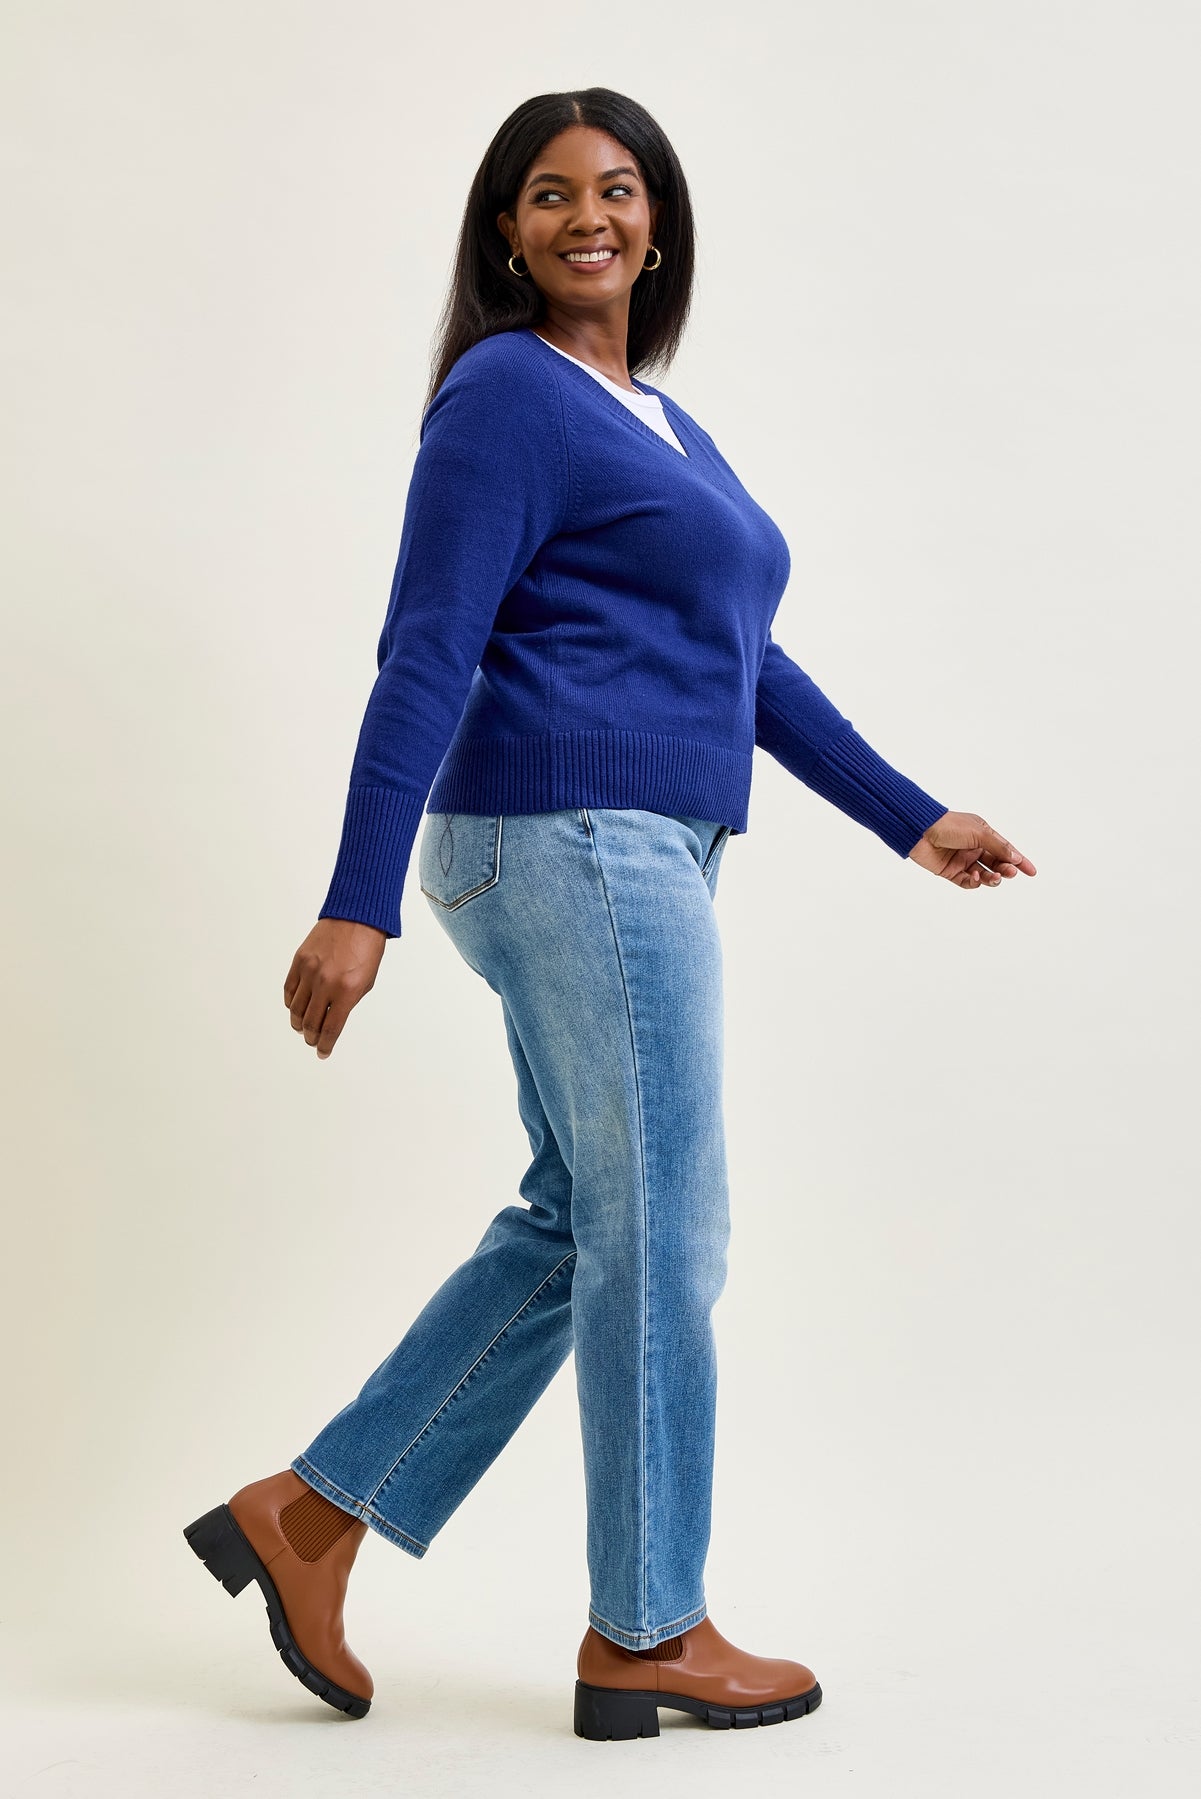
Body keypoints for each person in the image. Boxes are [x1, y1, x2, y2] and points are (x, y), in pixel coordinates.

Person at [183, 87, 1036, 1742]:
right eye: (552, 192)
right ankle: (646, 1629)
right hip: (570, 836)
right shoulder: (505, 392)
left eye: (620, 187)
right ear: (507, 234)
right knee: (666, 1233)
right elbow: (428, 643)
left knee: (583, 1221)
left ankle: (313, 1514)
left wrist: (907, 817)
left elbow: (743, 661)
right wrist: (357, 897)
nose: (590, 213)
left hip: (624, 844)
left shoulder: (656, 423)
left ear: (658, 223)